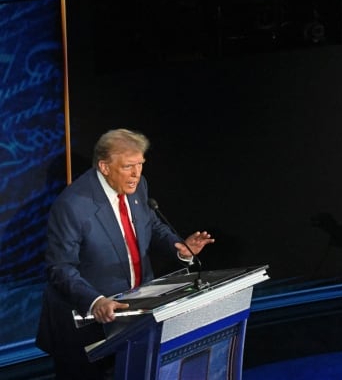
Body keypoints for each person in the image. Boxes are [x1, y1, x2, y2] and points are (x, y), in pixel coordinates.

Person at [35, 128, 215, 379]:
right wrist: (95, 301)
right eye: (128, 167)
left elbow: (150, 224)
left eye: (140, 165)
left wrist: (180, 248)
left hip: (135, 314)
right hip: (85, 325)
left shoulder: (138, 185)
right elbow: (60, 267)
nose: (136, 174)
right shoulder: (72, 206)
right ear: (105, 167)